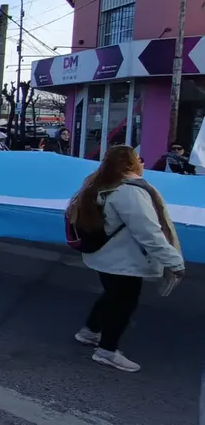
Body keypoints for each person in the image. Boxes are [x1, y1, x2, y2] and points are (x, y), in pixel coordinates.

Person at [68, 146, 185, 372]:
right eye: (138, 159)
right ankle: (107, 351)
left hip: (104, 256)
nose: (142, 162)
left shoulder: (99, 184)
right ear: (130, 164)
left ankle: (90, 332)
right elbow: (149, 232)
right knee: (123, 304)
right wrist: (174, 261)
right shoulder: (130, 192)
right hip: (124, 260)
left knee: (111, 295)